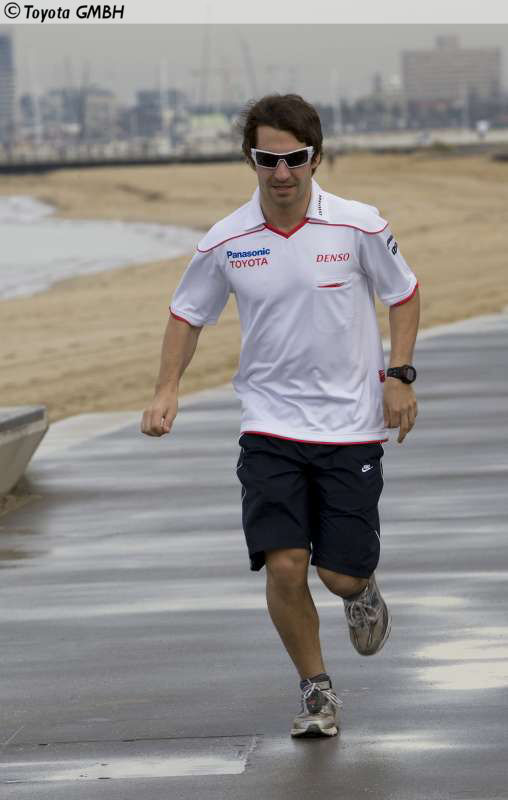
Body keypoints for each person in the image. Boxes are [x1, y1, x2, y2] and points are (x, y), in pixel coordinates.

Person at [141, 94, 420, 739]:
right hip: (269, 425)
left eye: (295, 158)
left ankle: (360, 589)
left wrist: (399, 375)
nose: (283, 172)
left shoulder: (359, 226)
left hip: (350, 425)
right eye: (269, 160)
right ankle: (316, 690)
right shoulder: (227, 239)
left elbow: (403, 294)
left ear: (316, 158)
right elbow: (187, 314)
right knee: (286, 565)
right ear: (252, 161)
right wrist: (166, 390)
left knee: (338, 573)